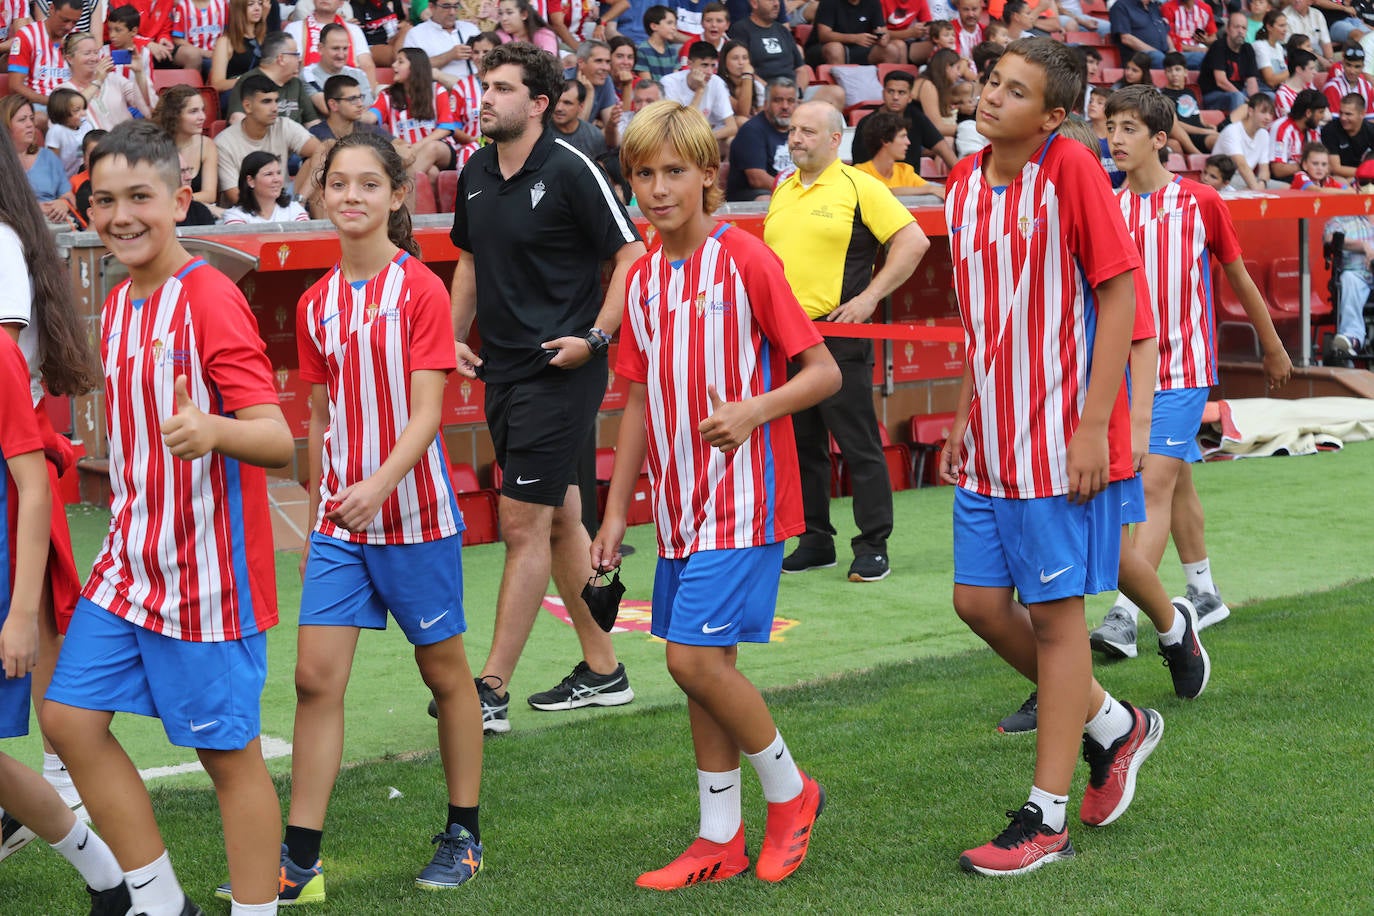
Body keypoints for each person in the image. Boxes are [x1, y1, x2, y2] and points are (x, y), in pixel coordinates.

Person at [40, 119, 293, 916]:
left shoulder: (211, 297)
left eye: (139, 197)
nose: (120, 216)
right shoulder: (118, 301)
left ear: (181, 199)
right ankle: (159, 903)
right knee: (70, 720)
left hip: (209, 577)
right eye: (104, 200)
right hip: (129, 560)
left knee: (228, 757)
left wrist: (215, 431)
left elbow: (278, 439)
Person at [228, 130, 486, 907]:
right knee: (314, 680)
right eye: (338, 183)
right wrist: (315, 514)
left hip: (411, 516)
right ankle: (299, 860)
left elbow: (427, 413)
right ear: (321, 195)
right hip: (343, 521)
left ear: (397, 195)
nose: (351, 197)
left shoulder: (421, 291)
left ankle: (464, 835)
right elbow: (314, 414)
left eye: (368, 184)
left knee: (443, 675)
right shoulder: (314, 302)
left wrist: (378, 483)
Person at [592, 99, 839, 892]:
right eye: (642, 175)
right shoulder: (642, 277)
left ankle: (791, 792)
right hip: (677, 511)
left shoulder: (746, 259)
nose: (658, 189)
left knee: (691, 659)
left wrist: (754, 410)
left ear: (708, 175)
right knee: (704, 671)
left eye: (673, 172)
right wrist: (612, 515)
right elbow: (633, 401)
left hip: (748, 501)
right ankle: (718, 839)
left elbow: (823, 371)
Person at [940, 38, 1163, 877]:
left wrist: (1095, 424)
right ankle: (1115, 724)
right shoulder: (963, 183)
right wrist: (963, 414)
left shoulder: (1069, 170)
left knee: (1056, 621)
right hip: (991, 437)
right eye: (992, 81)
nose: (992, 97)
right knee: (975, 603)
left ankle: (1046, 820)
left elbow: (1119, 295)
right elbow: (982, 321)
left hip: (1056, 439)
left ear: (1054, 115)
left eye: (1016, 91)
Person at [447, 42, 645, 733]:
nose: (487, 96)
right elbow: (468, 263)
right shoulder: (474, 170)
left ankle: (491, 689)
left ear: (537, 104)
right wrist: (450, 339)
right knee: (561, 521)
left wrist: (594, 337)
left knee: (521, 524)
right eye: (485, 85)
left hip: (561, 374)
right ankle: (602, 668)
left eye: (502, 88)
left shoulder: (570, 168)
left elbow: (631, 256)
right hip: (502, 374)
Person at [1088, 86, 1291, 664]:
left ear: (1160, 140)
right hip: (1120, 373)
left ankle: (1127, 616)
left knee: (1151, 483)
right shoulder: (1104, 205)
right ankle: (1203, 591)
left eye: (1129, 129)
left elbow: (1239, 276)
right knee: (1174, 482)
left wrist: (1272, 346)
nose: (1116, 139)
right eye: (1112, 127)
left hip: (1182, 370)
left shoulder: (1200, 202)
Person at [766, 100, 929, 583]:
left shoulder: (861, 186)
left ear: (835, 139)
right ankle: (815, 539)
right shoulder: (783, 188)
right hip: (788, 338)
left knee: (857, 443)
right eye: (793, 130)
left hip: (838, 336)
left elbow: (914, 241)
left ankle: (873, 545)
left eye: (808, 131)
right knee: (801, 445)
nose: (796, 138)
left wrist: (869, 298)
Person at [0, 115, 103, 861]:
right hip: (23, 454)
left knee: (35, 630)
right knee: (39, 631)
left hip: (18, 463)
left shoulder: (2, 242)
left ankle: (66, 799)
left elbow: (8, 370)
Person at [366, 47, 467, 202]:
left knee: (432, 147)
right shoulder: (387, 95)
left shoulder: (437, 90)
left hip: (441, 151)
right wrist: (353, 110)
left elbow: (445, 128)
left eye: (400, 62)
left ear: (415, 67)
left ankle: (392, 193)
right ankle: (427, 218)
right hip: (407, 156)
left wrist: (414, 148)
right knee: (431, 173)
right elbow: (370, 118)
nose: (393, 66)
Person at [216, 73, 325, 205]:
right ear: (247, 106)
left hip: (285, 200)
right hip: (246, 214)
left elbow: (323, 152)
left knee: (320, 160)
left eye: (276, 101)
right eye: (266, 101)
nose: (275, 108)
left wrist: (300, 200)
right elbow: (235, 197)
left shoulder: (284, 125)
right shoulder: (224, 142)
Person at [850, 69, 958, 167]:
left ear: (910, 97)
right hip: (877, 185)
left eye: (901, 93)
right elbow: (860, 166)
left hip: (913, 183)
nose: (895, 97)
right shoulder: (867, 123)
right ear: (883, 93)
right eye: (890, 91)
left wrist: (966, 180)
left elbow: (944, 150)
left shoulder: (917, 117)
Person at [3, 96, 79, 227]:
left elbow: (69, 196)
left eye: (31, 119)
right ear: (5, 126)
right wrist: (34, 209)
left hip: (52, 225)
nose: (30, 125)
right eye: (22, 120)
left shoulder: (48, 157)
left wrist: (63, 204)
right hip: (13, 227)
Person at [6, 0, 82, 129]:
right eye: (64, 20)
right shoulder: (26, 35)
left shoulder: (76, 37)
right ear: (51, 9)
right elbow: (15, 86)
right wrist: (53, 103)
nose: (69, 27)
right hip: (37, 104)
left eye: (74, 22)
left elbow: (86, 77)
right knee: (41, 119)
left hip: (72, 105)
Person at [1323, 164, 1374, 356]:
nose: (1370, 187)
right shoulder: (1343, 218)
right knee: (1348, 279)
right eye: (1365, 183)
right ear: (1357, 186)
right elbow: (1329, 238)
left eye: (1373, 183)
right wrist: (1363, 247)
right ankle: (1353, 338)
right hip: (1357, 274)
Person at [58, 31, 152, 130]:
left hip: (126, 141)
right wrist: (98, 81)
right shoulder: (62, 91)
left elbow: (149, 108)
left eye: (96, 52)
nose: (94, 58)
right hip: (90, 144)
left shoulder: (115, 79)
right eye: (87, 53)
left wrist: (139, 73)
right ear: (69, 59)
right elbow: (71, 111)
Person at [725, 74, 796, 199]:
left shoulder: (800, 130)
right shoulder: (752, 131)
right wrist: (794, 191)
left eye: (790, 101)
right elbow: (757, 179)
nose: (785, 106)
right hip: (751, 196)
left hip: (788, 191)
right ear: (766, 103)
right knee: (767, 199)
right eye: (778, 100)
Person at [226, 31, 317, 128]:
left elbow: (313, 123)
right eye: (295, 54)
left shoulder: (296, 83)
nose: (299, 59)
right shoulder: (248, 82)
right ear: (281, 59)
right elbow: (237, 120)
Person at [286, 0, 378, 90]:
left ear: (341, 2)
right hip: (309, 89)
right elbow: (290, 67)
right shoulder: (294, 28)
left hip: (350, 92)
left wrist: (368, 98)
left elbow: (367, 65)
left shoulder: (354, 30)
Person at [154, 84, 219, 209]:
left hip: (194, 209)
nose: (202, 117)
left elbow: (210, 195)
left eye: (202, 110)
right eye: (193, 111)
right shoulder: (155, 146)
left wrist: (181, 201)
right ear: (174, 115)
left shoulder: (206, 145)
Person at [853, 109, 944, 197]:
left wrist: (930, 188)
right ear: (885, 140)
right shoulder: (860, 172)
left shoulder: (905, 171)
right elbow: (883, 192)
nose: (908, 142)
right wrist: (929, 189)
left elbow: (935, 189)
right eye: (902, 136)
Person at [662, 40, 737, 141]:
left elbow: (732, 127)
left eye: (713, 65)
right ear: (689, 64)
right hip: (675, 137)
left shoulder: (716, 82)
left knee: (731, 140)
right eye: (704, 65)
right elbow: (681, 127)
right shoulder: (669, 82)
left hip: (703, 137)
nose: (710, 72)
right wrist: (700, 90)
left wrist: (703, 140)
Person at [729, 0, 809, 90]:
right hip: (762, 92)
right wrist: (771, 91)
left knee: (828, 92)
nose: (776, 4)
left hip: (792, 91)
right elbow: (742, 69)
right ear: (754, 3)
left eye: (778, 0)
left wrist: (798, 93)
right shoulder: (740, 30)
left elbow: (801, 70)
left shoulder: (783, 30)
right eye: (771, 0)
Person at [304, 22, 375, 117]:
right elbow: (328, 109)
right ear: (320, 48)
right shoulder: (309, 74)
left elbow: (367, 108)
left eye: (345, 48)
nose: (341, 55)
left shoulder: (359, 74)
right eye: (335, 48)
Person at [806, 0, 907, 66]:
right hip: (822, 49)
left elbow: (882, 29)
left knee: (890, 50)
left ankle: (884, 92)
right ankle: (841, 93)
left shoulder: (873, 3)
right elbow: (824, 35)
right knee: (835, 48)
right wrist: (854, 38)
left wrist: (883, 38)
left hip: (858, 47)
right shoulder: (829, 2)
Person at [403, 0, 481, 84]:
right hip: (439, 92)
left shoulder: (470, 29)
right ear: (431, 7)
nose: (452, 12)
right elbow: (410, 67)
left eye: (456, 6)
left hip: (477, 89)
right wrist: (449, 55)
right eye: (446, 6)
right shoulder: (416, 34)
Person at [221, 151, 311, 222]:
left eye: (278, 173)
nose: (277, 179)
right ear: (250, 181)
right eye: (269, 174)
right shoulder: (235, 215)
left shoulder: (294, 210)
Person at [1197, 12, 1257, 113]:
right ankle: (1235, 128)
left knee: (1269, 97)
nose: (1240, 31)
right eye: (1236, 27)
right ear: (1227, 29)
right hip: (1212, 95)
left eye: (1243, 28)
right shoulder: (1218, 46)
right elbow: (1221, 82)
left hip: (1237, 93)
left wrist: (1255, 101)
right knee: (1237, 97)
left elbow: (1252, 82)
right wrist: (1245, 99)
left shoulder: (1248, 49)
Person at [1213, 92, 1275, 189]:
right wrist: (1256, 189)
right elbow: (1241, 165)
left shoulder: (1264, 134)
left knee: (1287, 188)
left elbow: (1264, 169)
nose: (1268, 118)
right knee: (1249, 189)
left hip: (1248, 178)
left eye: (1271, 114)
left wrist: (1262, 184)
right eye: (1263, 112)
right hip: (1226, 179)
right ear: (1250, 111)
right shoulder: (1232, 130)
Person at [1160, 51, 1216, 153]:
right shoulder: (1163, 96)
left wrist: (1207, 125)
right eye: (1169, 71)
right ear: (1165, 73)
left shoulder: (1190, 91)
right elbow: (1176, 125)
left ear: (1185, 72)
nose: (1174, 74)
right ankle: (1198, 156)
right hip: (1186, 136)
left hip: (1201, 133)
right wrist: (1204, 131)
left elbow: (1196, 115)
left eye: (1177, 69)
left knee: (1223, 140)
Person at [209, 0, 267, 98]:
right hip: (236, 97)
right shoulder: (225, 42)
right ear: (238, 9)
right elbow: (217, 84)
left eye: (260, 4)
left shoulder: (265, 39)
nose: (257, 8)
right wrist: (250, 81)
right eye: (251, 4)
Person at [310, 72, 390, 141]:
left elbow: (398, 143)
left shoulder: (366, 129)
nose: (360, 104)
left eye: (360, 97)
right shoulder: (315, 136)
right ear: (333, 105)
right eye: (352, 99)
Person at [1270, 87, 1327, 181]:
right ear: (1308, 113)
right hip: (1281, 182)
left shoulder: (1313, 129)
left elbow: (1321, 162)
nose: (1323, 116)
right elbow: (1277, 170)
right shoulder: (1281, 128)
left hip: (1306, 179)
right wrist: (1306, 166)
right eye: (1320, 112)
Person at [1320, 91, 1374, 178]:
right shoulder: (1330, 130)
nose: (1343, 118)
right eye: (1341, 113)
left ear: (1362, 114)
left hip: (1364, 175)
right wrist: (1367, 172)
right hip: (1337, 177)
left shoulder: (1371, 130)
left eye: (1348, 114)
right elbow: (1335, 168)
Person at [551, 78, 609, 156]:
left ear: (581, 106)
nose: (559, 108)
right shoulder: (540, 131)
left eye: (567, 103)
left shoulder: (594, 136)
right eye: (556, 101)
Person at [568, 39, 620, 126]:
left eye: (608, 62)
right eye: (599, 61)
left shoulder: (605, 80)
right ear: (581, 62)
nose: (606, 68)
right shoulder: (564, 80)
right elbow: (573, 129)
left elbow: (610, 125)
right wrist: (589, 93)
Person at [1109, 0, 1172, 70]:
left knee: (1185, 58)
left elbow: (1165, 33)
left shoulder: (1154, 7)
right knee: (1159, 58)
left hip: (1163, 54)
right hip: (1137, 57)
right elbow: (1126, 38)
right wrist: (1156, 53)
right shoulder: (1121, 5)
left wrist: (1173, 52)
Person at [43, 87, 90, 176]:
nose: (84, 114)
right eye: (77, 110)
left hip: (78, 177)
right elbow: (52, 166)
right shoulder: (57, 131)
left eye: (83, 108)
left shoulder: (86, 126)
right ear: (62, 113)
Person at [171, 0, 228, 73]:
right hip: (195, 54)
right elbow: (177, 39)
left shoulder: (222, 4)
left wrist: (220, 49)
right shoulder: (182, 6)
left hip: (218, 53)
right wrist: (204, 52)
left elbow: (227, 31)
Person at [1159, 0, 1213, 69]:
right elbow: (1169, 40)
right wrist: (1198, 49)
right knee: (1204, 58)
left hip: (1201, 49)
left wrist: (1205, 40)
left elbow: (1213, 37)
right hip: (1178, 53)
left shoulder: (1206, 8)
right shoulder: (1168, 7)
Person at [720, 39, 765, 118]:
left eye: (745, 58)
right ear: (724, 62)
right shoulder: (719, 84)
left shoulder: (757, 86)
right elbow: (742, 113)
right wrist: (747, 76)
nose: (741, 62)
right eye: (735, 58)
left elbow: (762, 117)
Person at [1323, 44, 1373, 112]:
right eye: (1348, 65)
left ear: (1363, 67)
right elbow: (1334, 121)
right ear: (1343, 64)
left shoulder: (1367, 87)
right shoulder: (1332, 87)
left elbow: (1370, 118)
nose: (1352, 71)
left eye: (1357, 67)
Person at [1286, 0, 1334, 69]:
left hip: (1318, 54)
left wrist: (1330, 61)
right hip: (1300, 59)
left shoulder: (1317, 14)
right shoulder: (1285, 16)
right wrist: (1321, 59)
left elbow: (1326, 42)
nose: (1296, 0)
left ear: (1310, 1)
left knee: (1340, 61)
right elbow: (1295, 49)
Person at [636, 4, 681, 77]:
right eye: (669, 23)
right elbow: (646, 83)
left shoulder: (672, 50)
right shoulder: (643, 50)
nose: (674, 28)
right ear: (654, 26)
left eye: (675, 24)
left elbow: (675, 79)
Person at [1276, 48, 1321, 117]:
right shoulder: (1283, 94)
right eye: (1311, 68)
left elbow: (1325, 113)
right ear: (1299, 69)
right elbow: (1292, 122)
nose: (1315, 72)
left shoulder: (1310, 86)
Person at [1254, 9, 1290, 92]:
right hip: (1263, 92)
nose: (1285, 30)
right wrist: (1292, 70)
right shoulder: (1260, 46)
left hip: (1277, 91)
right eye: (1281, 26)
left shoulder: (1279, 47)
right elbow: (1270, 80)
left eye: (1285, 25)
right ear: (1269, 27)